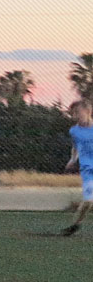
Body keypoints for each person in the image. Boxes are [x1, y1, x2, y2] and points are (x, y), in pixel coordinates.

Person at [61, 101, 93, 236]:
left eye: (78, 112)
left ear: (88, 111)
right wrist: (73, 159)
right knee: (88, 201)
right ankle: (76, 224)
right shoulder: (74, 131)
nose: (75, 116)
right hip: (88, 169)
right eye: (73, 113)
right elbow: (75, 147)